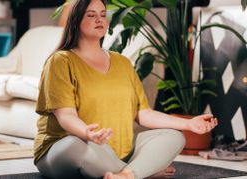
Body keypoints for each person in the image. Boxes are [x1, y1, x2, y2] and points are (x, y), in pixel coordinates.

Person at [33, 0, 218, 178]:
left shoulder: (122, 62)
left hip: (119, 151)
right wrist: (87, 133)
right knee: (77, 145)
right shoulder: (60, 61)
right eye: (91, 15)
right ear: (76, 20)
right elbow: (66, 116)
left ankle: (126, 174)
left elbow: (144, 113)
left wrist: (189, 124)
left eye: (103, 14)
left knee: (174, 137)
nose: (99, 19)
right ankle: (142, 172)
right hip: (66, 148)